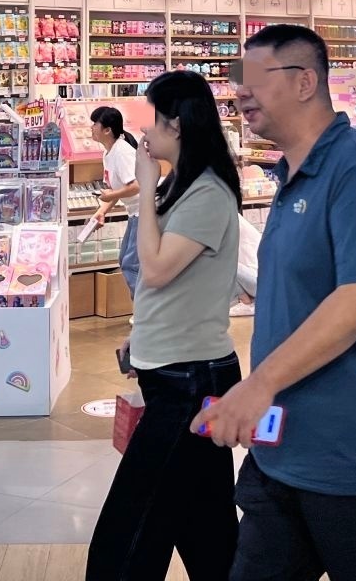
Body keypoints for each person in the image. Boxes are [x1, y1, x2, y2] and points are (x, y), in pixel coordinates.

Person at [201, 24, 356, 581]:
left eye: (255, 77)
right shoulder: (290, 176)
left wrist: (258, 384)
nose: (240, 91)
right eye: (237, 79)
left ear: (305, 82)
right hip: (283, 451)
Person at [86, 71, 243, 581]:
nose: (146, 132)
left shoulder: (208, 192)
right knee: (204, 521)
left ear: (178, 124)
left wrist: (145, 186)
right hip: (177, 372)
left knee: (128, 531)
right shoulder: (184, 185)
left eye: (154, 119)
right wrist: (143, 336)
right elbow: (167, 286)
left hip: (190, 381)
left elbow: (153, 268)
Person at [90, 105, 142, 294]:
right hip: (135, 213)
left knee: (131, 265)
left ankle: (144, 309)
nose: (91, 128)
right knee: (126, 260)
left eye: (95, 124)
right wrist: (101, 211)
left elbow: (137, 185)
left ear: (107, 130)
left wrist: (110, 196)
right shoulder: (108, 153)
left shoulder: (122, 151)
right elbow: (115, 189)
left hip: (146, 211)